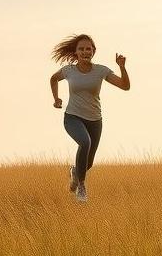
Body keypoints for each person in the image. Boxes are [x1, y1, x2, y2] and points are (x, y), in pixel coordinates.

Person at [49, 33, 130, 202]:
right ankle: (81, 187)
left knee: (88, 163)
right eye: (81, 49)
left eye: (88, 49)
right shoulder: (68, 70)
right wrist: (56, 99)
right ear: (76, 52)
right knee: (84, 142)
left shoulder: (101, 71)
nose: (85, 51)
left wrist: (122, 67)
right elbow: (53, 79)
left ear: (93, 51)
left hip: (95, 121)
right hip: (72, 117)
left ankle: (75, 173)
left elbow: (125, 86)